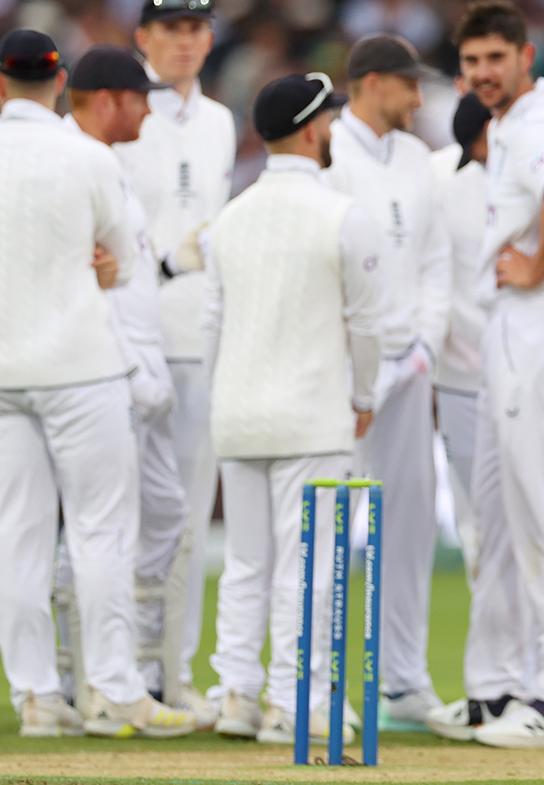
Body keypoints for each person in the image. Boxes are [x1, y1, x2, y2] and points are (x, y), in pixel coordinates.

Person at [0, 29, 195, 739]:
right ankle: (115, 688)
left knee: (18, 536)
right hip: (80, 366)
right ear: (58, 83)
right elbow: (121, 254)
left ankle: (36, 697)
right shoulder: (86, 158)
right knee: (101, 531)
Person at [431, 0, 544, 749]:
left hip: (543, 320)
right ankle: (496, 686)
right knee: (496, 522)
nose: (483, 74)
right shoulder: (505, 129)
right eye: (471, 63)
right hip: (516, 325)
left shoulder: (538, 124)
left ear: (525, 57)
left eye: (496, 59)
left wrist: (534, 266)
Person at [203, 72, 383, 745]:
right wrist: (364, 394)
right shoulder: (343, 214)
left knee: (248, 563)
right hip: (311, 413)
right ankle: (292, 702)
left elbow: (210, 326)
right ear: (312, 128)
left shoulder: (230, 217)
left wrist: (222, 398)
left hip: (240, 412)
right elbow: (369, 327)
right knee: (307, 566)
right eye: (331, 118)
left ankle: (238, 695)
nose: (335, 129)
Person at [115, 0, 236, 723]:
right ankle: (115, 666)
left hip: (199, 334)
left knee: (188, 513)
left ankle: (171, 668)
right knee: (124, 510)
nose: (185, 40)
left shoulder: (220, 120)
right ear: (144, 36)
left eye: (195, 27)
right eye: (171, 27)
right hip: (133, 330)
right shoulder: (124, 113)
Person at [325, 34, 450, 731]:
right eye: (409, 85)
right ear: (374, 83)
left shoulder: (417, 159)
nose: (419, 98)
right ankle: (324, 683)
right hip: (345, 371)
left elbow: (437, 260)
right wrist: (358, 364)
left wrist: (424, 342)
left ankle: (403, 676)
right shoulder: (329, 154)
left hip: (411, 366)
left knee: (410, 521)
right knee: (336, 523)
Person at [62, 43, 191, 714]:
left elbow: (127, 271)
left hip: (140, 370)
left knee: (162, 515)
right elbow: (88, 286)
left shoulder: (106, 163)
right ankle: (74, 672)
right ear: (109, 100)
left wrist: (170, 264)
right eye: (139, 96)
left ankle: (136, 666)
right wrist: (130, 369)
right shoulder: (71, 163)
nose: (149, 107)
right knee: (93, 527)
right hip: (104, 374)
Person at [429, 91, 492, 574]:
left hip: (534, 371)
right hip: (461, 376)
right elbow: (424, 269)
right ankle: (496, 648)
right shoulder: (436, 175)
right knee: (476, 522)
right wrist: (440, 335)